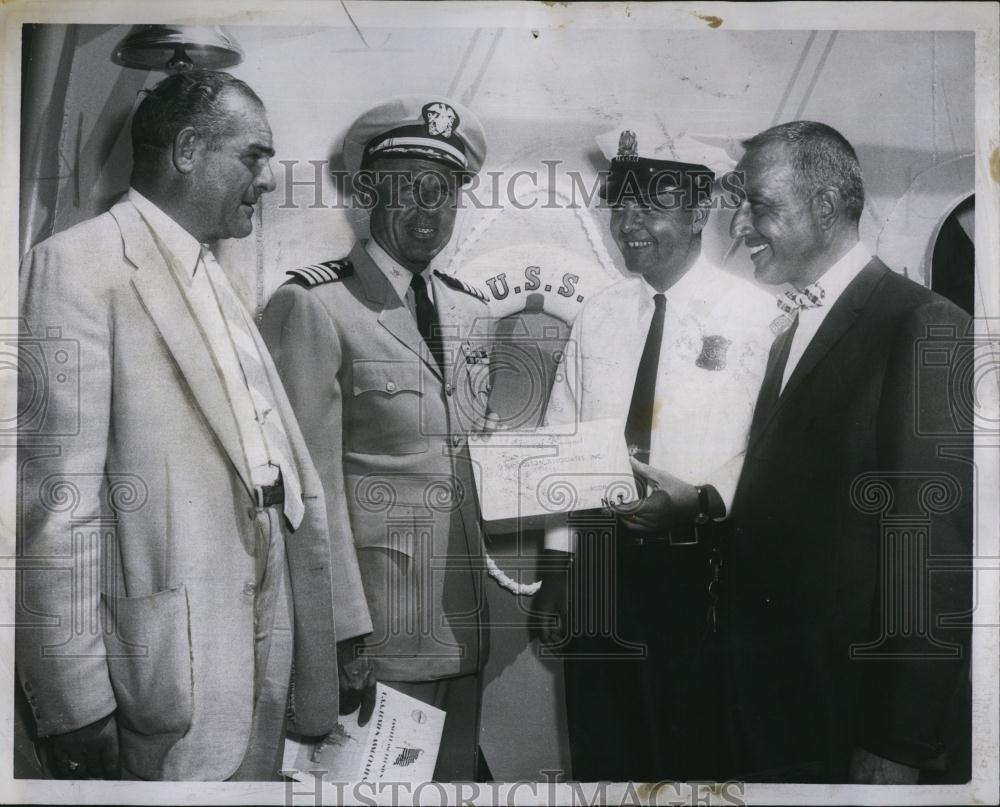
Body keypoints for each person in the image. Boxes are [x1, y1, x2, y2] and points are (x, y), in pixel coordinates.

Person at [16, 70, 352, 781]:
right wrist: (76, 703)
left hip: (264, 630)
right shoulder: (75, 267)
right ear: (190, 148)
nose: (266, 180)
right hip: (170, 661)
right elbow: (54, 507)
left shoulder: (213, 271)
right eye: (254, 156)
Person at [723, 120, 973, 783]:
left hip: (851, 719)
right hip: (782, 712)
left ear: (825, 208)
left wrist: (897, 743)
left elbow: (932, 557)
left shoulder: (922, 325)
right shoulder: (789, 334)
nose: (739, 225)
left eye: (761, 205)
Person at [260, 95, 493, 781]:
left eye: (443, 192)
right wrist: (338, 630)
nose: (428, 211)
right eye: (406, 190)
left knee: (454, 788)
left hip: (464, 621)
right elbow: (309, 489)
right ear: (367, 193)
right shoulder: (314, 303)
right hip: (376, 633)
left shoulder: (472, 309)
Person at [533, 127, 775, 781]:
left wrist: (699, 500)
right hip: (601, 576)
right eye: (620, 200)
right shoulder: (599, 314)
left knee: (694, 764)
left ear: (700, 210)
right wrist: (557, 572)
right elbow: (564, 443)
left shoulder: (757, 316)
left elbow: (773, 449)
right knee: (603, 760)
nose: (629, 221)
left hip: (707, 576)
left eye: (652, 201)